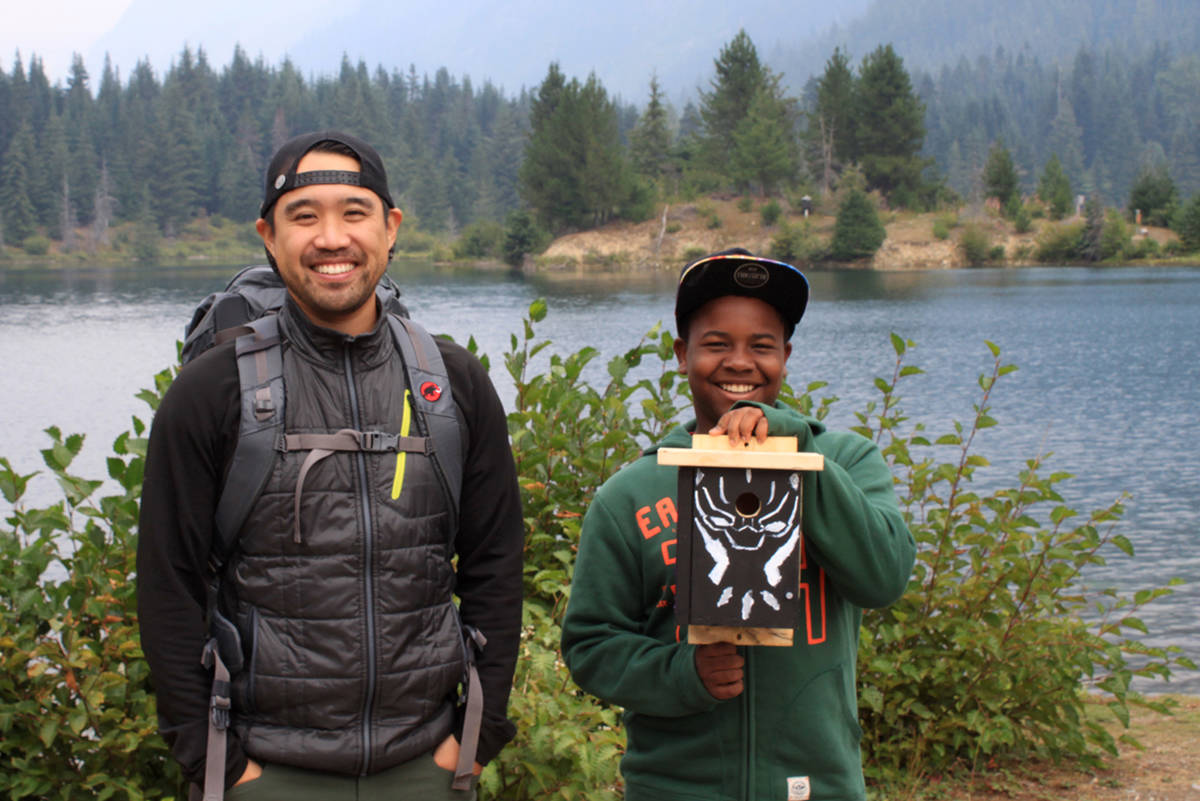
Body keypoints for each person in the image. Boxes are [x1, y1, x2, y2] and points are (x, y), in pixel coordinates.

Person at [137, 131, 523, 800]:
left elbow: (496, 563)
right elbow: (168, 585)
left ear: (390, 226)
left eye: (354, 211)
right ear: (268, 234)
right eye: (304, 215)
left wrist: (474, 739)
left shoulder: (451, 382)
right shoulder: (211, 390)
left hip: (427, 766)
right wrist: (216, 764)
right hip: (265, 768)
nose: (331, 237)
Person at [560, 248, 916, 801]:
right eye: (717, 344)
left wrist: (793, 450)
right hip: (674, 788)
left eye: (762, 346)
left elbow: (884, 577)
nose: (740, 362)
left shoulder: (846, 462)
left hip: (815, 787)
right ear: (683, 355)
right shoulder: (629, 494)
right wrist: (684, 674)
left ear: (786, 356)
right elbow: (590, 646)